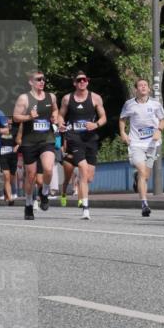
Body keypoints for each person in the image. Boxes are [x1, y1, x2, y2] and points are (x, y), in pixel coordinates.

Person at [59, 70, 106, 220]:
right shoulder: (67, 98)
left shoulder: (95, 98)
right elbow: (60, 115)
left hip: (90, 138)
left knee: (89, 177)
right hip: (74, 137)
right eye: (79, 80)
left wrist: (95, 124)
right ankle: (85, 208)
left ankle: (81, 183)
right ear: (74, 83)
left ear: (87, 81)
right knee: (83, 170)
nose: (82, 82)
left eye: (84, 80)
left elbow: (103, 117)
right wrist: (60, 123)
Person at [13, 70, 60, 221]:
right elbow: (15, 117)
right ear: (31, 82)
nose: (42, 81)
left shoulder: (51, 97)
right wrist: (28, 116)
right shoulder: (24, 98)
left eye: (43, 79)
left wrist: (55, 116)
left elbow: (55, 109)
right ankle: (28, 204)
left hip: (47, 139)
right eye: (38, 79)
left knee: (48, 168)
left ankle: (44, 193)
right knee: (31, 175)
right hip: (29, 141)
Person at [119, 79, 164, 217]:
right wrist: (123, 133)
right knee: (142, 171)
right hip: (136, 143)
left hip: (152, 144)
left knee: (145, 176)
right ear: (136, 89)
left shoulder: (155, 104)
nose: (143, 87)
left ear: (149, 89)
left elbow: (163, 119)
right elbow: (122, 119)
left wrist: (159, 130)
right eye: (140, 85)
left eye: (145, 85)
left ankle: (137, 178)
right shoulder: (129, 104)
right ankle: (144, 204)